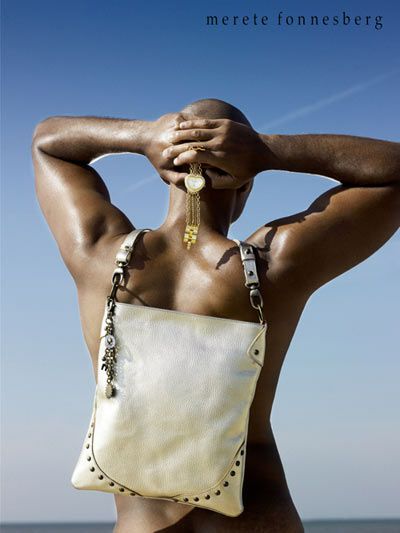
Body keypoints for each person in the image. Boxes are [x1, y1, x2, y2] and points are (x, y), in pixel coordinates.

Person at [31, 98, 400, 533]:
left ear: (167, 172)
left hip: (144, 524)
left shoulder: (98, 252)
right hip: (255, 516)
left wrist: (145, 136)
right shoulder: (274, 265)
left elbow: (48, 142)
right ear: (245, 186)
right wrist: (269, 150)